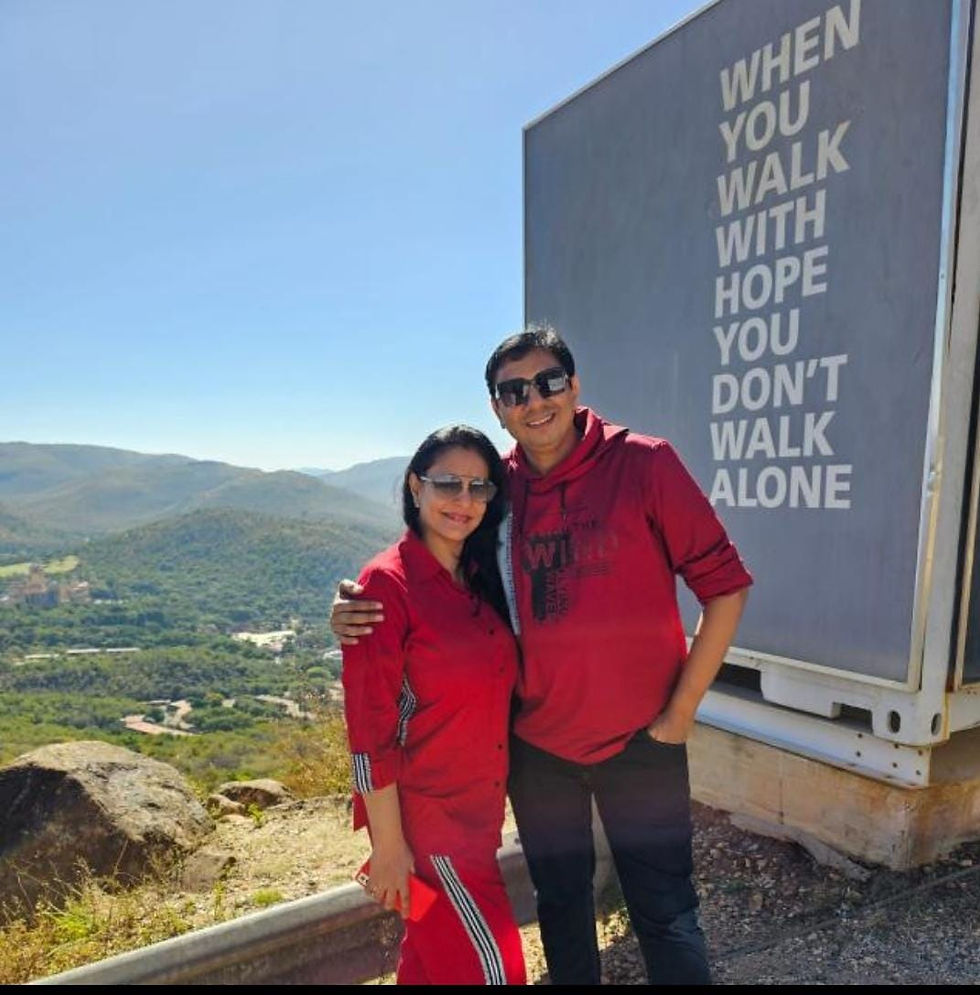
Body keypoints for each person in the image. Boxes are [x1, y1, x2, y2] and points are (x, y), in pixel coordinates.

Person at [333, 325, 753, 986]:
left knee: (665, 910)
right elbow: (436, 565)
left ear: (574, 385)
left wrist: (680, 714)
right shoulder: (495, 489)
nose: (534, 400)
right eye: (514, 391)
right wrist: (357, 607)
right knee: (561, 906)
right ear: (498, 408)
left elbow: (726, 586)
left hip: (642, 740)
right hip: (538, 753)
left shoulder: (644, 464)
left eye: (548, 381)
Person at [340, 424, 527, 986]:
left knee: (430, 961)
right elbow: (368, 731)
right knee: (494, 972)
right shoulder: (386, 585)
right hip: (430, 829)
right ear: (415, 486)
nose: (464, 500)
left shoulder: (478, 576)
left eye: (478, 487)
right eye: (448, 484)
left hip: (477, 818)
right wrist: (389, 847)